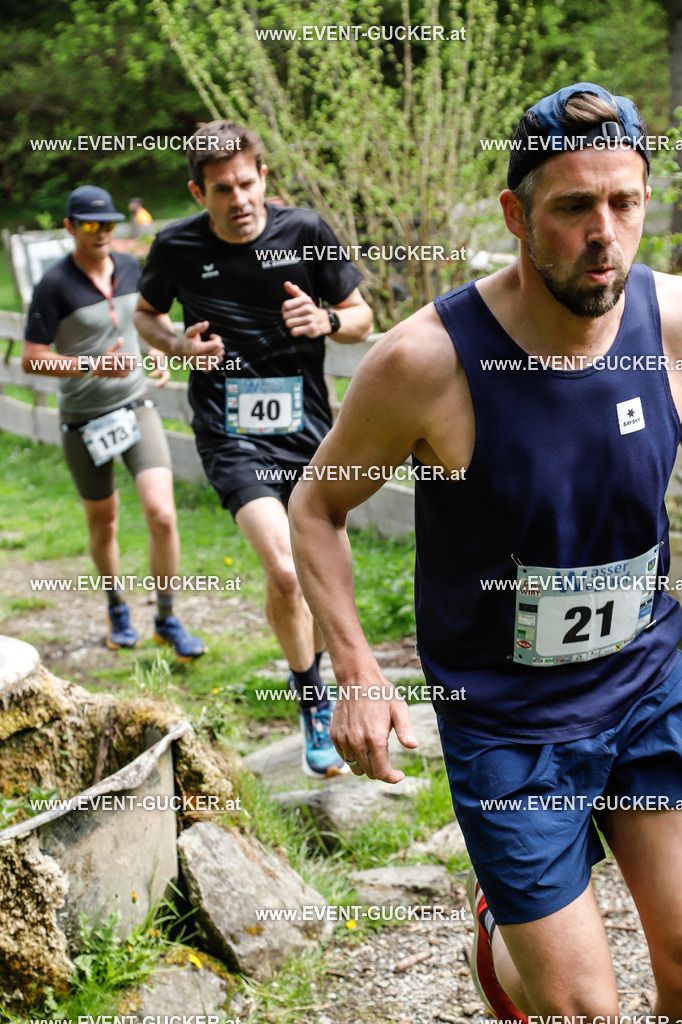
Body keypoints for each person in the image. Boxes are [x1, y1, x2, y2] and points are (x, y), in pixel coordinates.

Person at [289, 82, 682, 1017]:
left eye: (624, 203)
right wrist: (355, 670)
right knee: (583, 1011)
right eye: (573, 207)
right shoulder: (424, 362)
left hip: (647, 680)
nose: (605, 234)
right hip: (508, 718)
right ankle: (503, 937)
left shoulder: (669, 325)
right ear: (515, 214)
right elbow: (315, 507)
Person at [133, 121, 373, 777]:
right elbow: (147, 316)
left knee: (331, 579)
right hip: (230, 430)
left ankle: (318, 668)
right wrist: (180, 346)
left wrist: (324, 320)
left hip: (308, 431)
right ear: (198, 191)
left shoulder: (304, 232)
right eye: (221, 189)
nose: (237, 199)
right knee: (289, 570)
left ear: (263, 177)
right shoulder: (176, 245)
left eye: (246, 183)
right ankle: (312, 700)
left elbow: (361, 315)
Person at [22, 185, 206, 660]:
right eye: (89, 225)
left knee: (162, 514)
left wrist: (156, 355)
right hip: (83, 420)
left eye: (107, 224)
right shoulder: (53, 284)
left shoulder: (130, 267)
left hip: (135, 405)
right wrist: (89, 365)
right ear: (70, 227)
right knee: (104, 524)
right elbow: (32, 360)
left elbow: (145, 320)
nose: (101, 232)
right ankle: (116, 607)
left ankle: (166, 617)